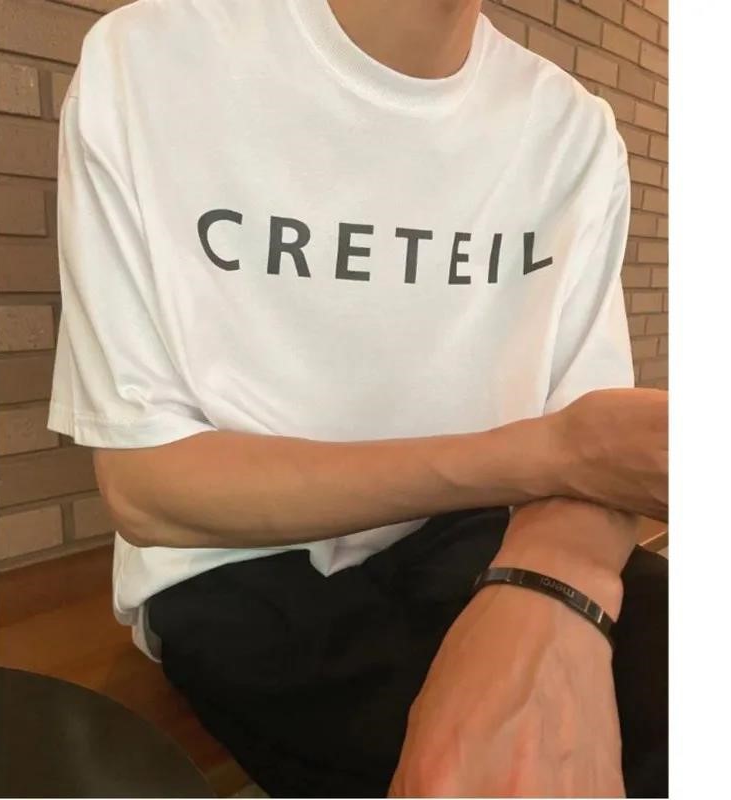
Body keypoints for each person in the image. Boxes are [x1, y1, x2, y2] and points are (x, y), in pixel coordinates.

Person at [47, 0, 668, 796]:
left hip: (487, 530)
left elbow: (599, 458)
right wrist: (546, 456)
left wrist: (548, 590)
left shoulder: (573, 132)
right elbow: (148, 490)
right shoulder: (150, 60)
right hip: (235, 567)